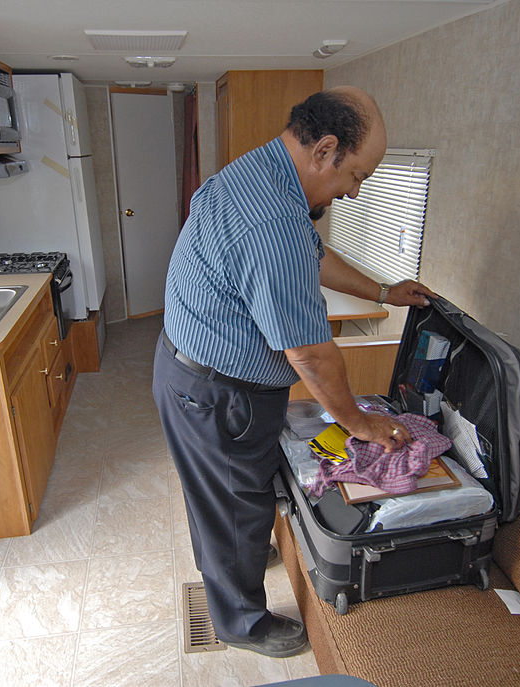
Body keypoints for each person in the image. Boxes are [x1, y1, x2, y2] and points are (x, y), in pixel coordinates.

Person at [152, 86, 435, 657]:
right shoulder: (272, 220)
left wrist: (382, 290)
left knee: (225, 496)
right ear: (324, 149)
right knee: (232, 500)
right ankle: (241, 622)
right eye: (355, 175)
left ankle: (238, 544)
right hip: (218, 389)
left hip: (192, 369)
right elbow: (309, 352)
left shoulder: (264, 173)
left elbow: (314, 254)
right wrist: (358, 421)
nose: (353, 191)